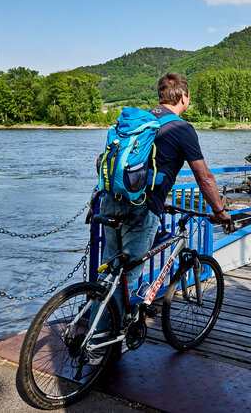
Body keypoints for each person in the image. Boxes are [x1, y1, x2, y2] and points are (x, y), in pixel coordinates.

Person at [96, 73, 231, 336]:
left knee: (109, 274)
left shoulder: (140, 121)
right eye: (188, 97)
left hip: (111, 201)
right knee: (128, 277)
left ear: (160, 96)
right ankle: (101, 346)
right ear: (183, 97)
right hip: (141, 208)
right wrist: (220, 211)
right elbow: (203, 177)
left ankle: (93, 327)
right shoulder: (182, 128)